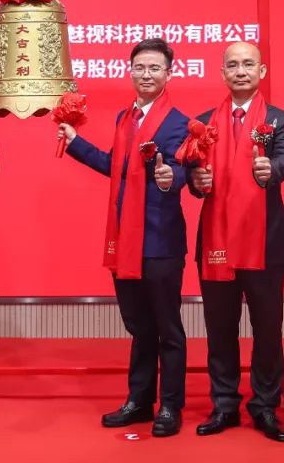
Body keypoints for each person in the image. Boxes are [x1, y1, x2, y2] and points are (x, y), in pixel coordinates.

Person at [57, 38, 190, 437]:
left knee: (168, 328)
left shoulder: (179, 122)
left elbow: (185, 168)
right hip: (124, 239)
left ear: (169, 74)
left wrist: (171, 178)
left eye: (154, 68)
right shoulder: (124, 118)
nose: (146, 75)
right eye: (140, 68)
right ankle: (139, 400)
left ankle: (170, 406)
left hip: (160, 240)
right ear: (130, 71)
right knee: (138, 326)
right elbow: (113, 166)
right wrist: (74, 142)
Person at [189, 42, 284, 443]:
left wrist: (272, 169)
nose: (240, 71)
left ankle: (265, 405)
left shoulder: (281, 120)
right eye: (232, 65)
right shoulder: (204, 123)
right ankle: (224, 404)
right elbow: (194, 176)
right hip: (217, 240)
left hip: (264, 242)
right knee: (220, 328)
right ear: (222, 73)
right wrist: (196, 182)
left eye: (248, 64)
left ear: (261, 71)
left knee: (268, 328)